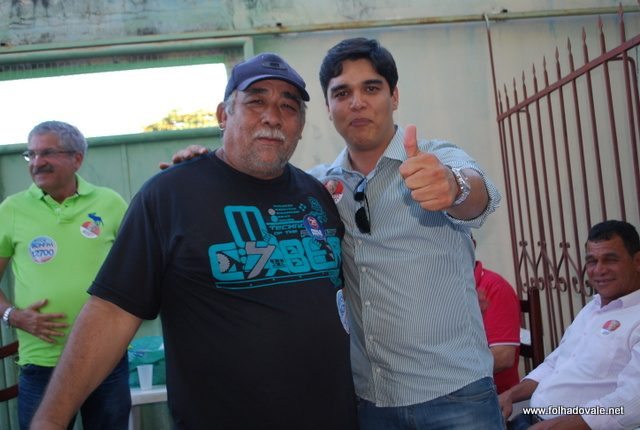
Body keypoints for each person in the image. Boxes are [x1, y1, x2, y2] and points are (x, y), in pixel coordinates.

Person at [165, 38, 505, 429]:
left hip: (456, 397)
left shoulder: (435, 159)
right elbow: (251, 185)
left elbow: (479, 195)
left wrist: (452, 186)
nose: (357, 103)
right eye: (342, 93)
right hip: (369, 402)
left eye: (371, 88)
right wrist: (206, 167)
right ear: (327, 108)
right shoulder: (315, 190)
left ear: (394, 96)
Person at [31, 53, 358, 430]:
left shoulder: (316, 196)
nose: (273, 117)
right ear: (223, 115)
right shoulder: (169, 196)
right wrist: (50, 420)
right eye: (256, 101)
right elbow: (111, 313)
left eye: (289, 106)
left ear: (300, 125)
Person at [0, 121, 131, 430]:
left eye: (47, 153)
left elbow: (136, 269)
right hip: (42, 363)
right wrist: (12, 316)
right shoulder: (11, 209)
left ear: (77, 159)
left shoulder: (110, 203)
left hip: (105, 359)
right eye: (31, 154)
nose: (37, 162)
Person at [499, 219, 640, 430]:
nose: (599, 270)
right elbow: (556, 362)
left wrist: (555, 426)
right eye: (591, 261)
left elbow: (631, 403)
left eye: (610, 260)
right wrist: (510, 395)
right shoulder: (593, 308)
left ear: (637, 261)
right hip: (530, 417)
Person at [473, 236, 521, 394]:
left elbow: (503, 357)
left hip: (493, 395)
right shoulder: (444, 288)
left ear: (471, 246)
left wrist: (447, 372)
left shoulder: (495, 287)